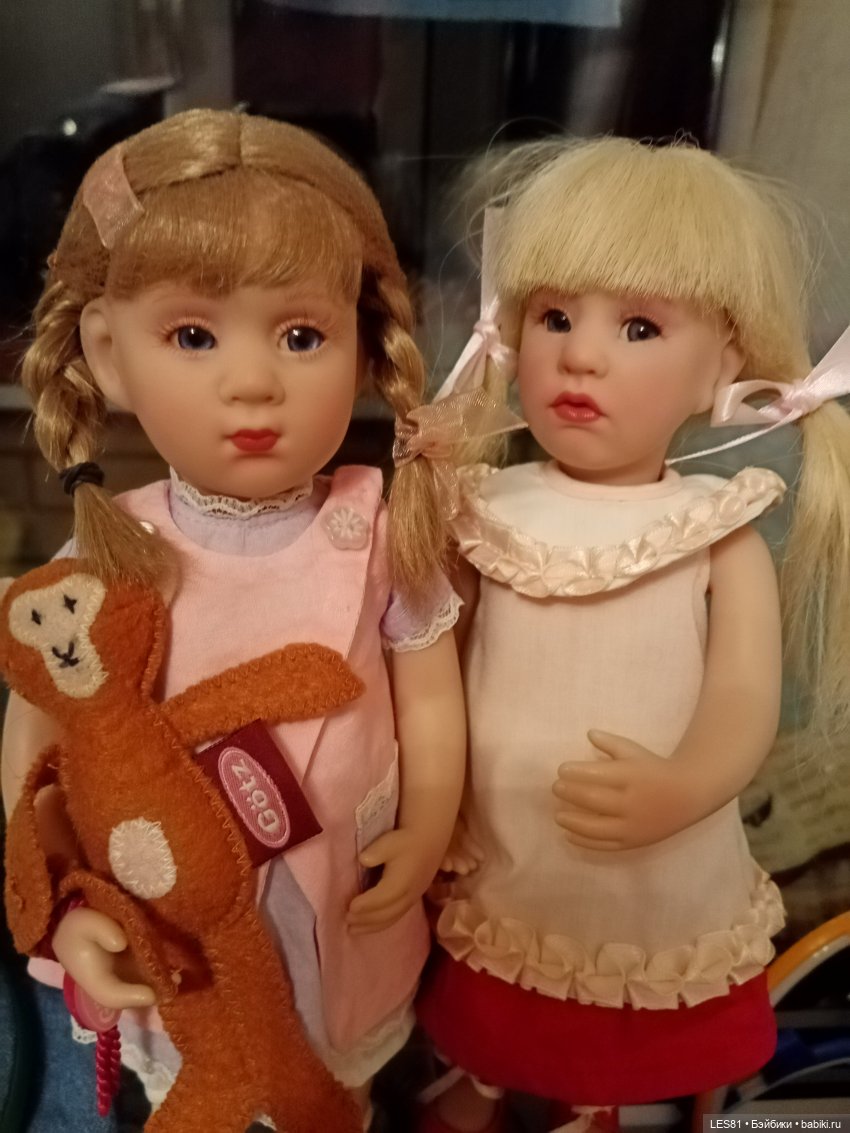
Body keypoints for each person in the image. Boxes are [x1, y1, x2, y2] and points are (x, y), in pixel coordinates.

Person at [0, 108, 466, 1130]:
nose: (253, 381)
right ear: (108, 354)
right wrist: (69, 897)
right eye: (194, 335)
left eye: (301, 335)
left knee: (331, 1081)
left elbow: (432, 702)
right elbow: (40, 745)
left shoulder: (381, 530)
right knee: (192, 1082)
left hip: (337, 904)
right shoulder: (107, 554)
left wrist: (428, 824)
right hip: (169, 918)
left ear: (362, 342)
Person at [415, 136, 850, 1133]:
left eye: (639, 326)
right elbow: (439, 656)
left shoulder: (715, 527)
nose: (581, 355)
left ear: (722, 365)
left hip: (646, 848)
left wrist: (690, 780)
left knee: (614, 1001)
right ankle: (482, 1081)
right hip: (500, 833)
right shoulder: (483, 507)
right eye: (555, 317)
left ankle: (594, 1101)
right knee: (494, 995)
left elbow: (741, 692)